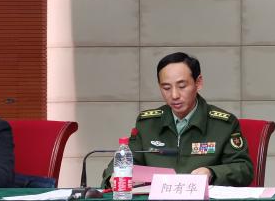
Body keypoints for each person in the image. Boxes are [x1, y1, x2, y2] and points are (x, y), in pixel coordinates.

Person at [103, 52, 252, 186]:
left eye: (182, 86)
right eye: (166, 88)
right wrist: (113, 175)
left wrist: (211, 172)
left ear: (198, 83)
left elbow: (243, 168)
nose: (174, 95)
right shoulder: (147, 123)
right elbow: (126, 160)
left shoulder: (223, 124)